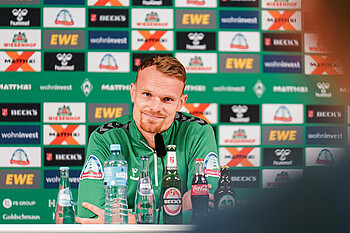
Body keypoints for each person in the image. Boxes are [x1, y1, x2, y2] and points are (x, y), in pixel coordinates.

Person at [75, 55, 220, 224]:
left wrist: (131, 221)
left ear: (181, 102)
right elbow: (90, 216)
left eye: (167, 99)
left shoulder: (198, 132)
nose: (155, 107)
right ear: (133, 92)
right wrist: (177, 209)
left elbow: (207, 211)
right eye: (147, 94)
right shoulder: (105, 137)